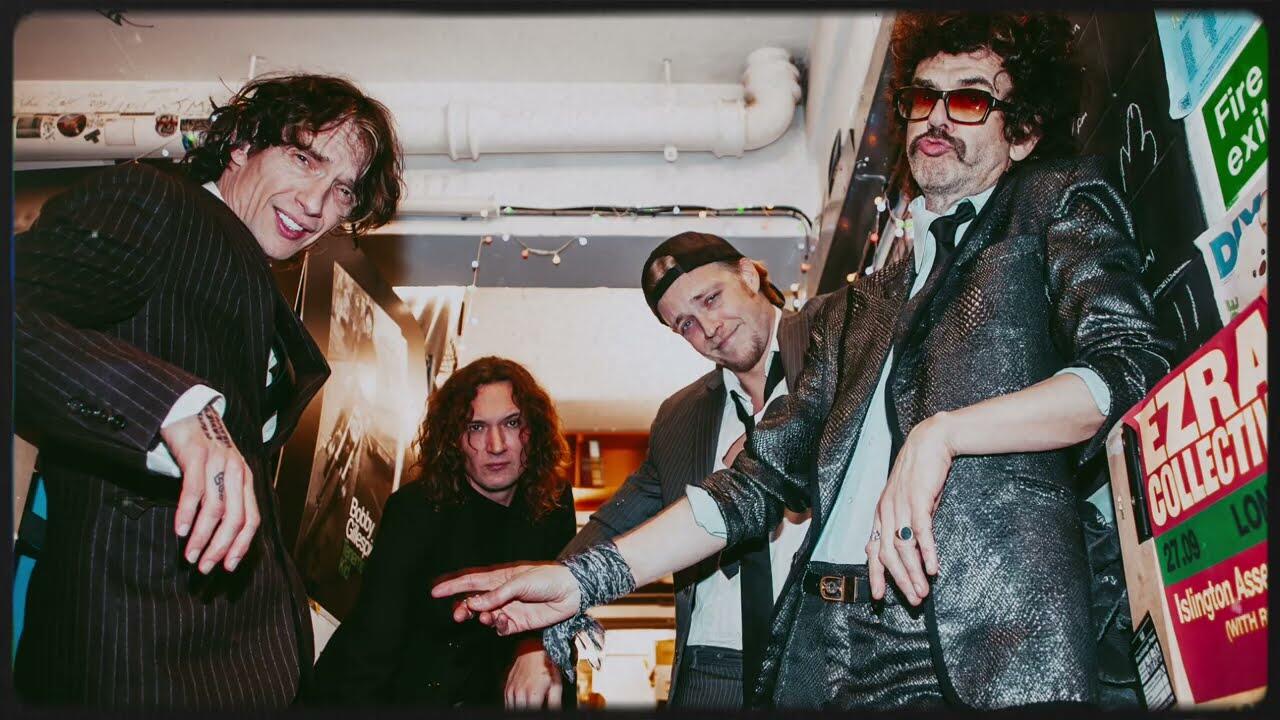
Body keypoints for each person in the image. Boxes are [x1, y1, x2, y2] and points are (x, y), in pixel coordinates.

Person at [433, 11, 1173, 710]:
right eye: (924, 98)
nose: (937, 118)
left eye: (971, 100)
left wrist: (946, 434)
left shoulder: (1050, 202)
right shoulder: (858, 307)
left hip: (992, 636)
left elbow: (1128, 365)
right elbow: (753, 484)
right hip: (831, 649)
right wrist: (582, 581)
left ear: (1023, 132)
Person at [13, 73, 403, 708]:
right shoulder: (156, 202)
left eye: (342, 190)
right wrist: (171, 410)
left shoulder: (257, 291)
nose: (316, 203)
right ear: (243, 144)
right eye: (304, 159)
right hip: (131, 666)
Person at [504, 233, 820, 709]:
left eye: (711, 298)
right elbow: (611, 527)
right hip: (712, 668)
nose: (709, 328)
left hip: (823, 659)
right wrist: (538, 634)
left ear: (748, 275)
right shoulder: (680, 418)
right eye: (685, 324)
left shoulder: (832, 341)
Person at [309, 357, 577, 707]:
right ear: (453, 440)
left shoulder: (554, 505)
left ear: (533, 430)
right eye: (476, 427)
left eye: (512, 423)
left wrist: (538, 646)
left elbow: (569, 605)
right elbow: (375, 638)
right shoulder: (415, 509)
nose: (496, 445)